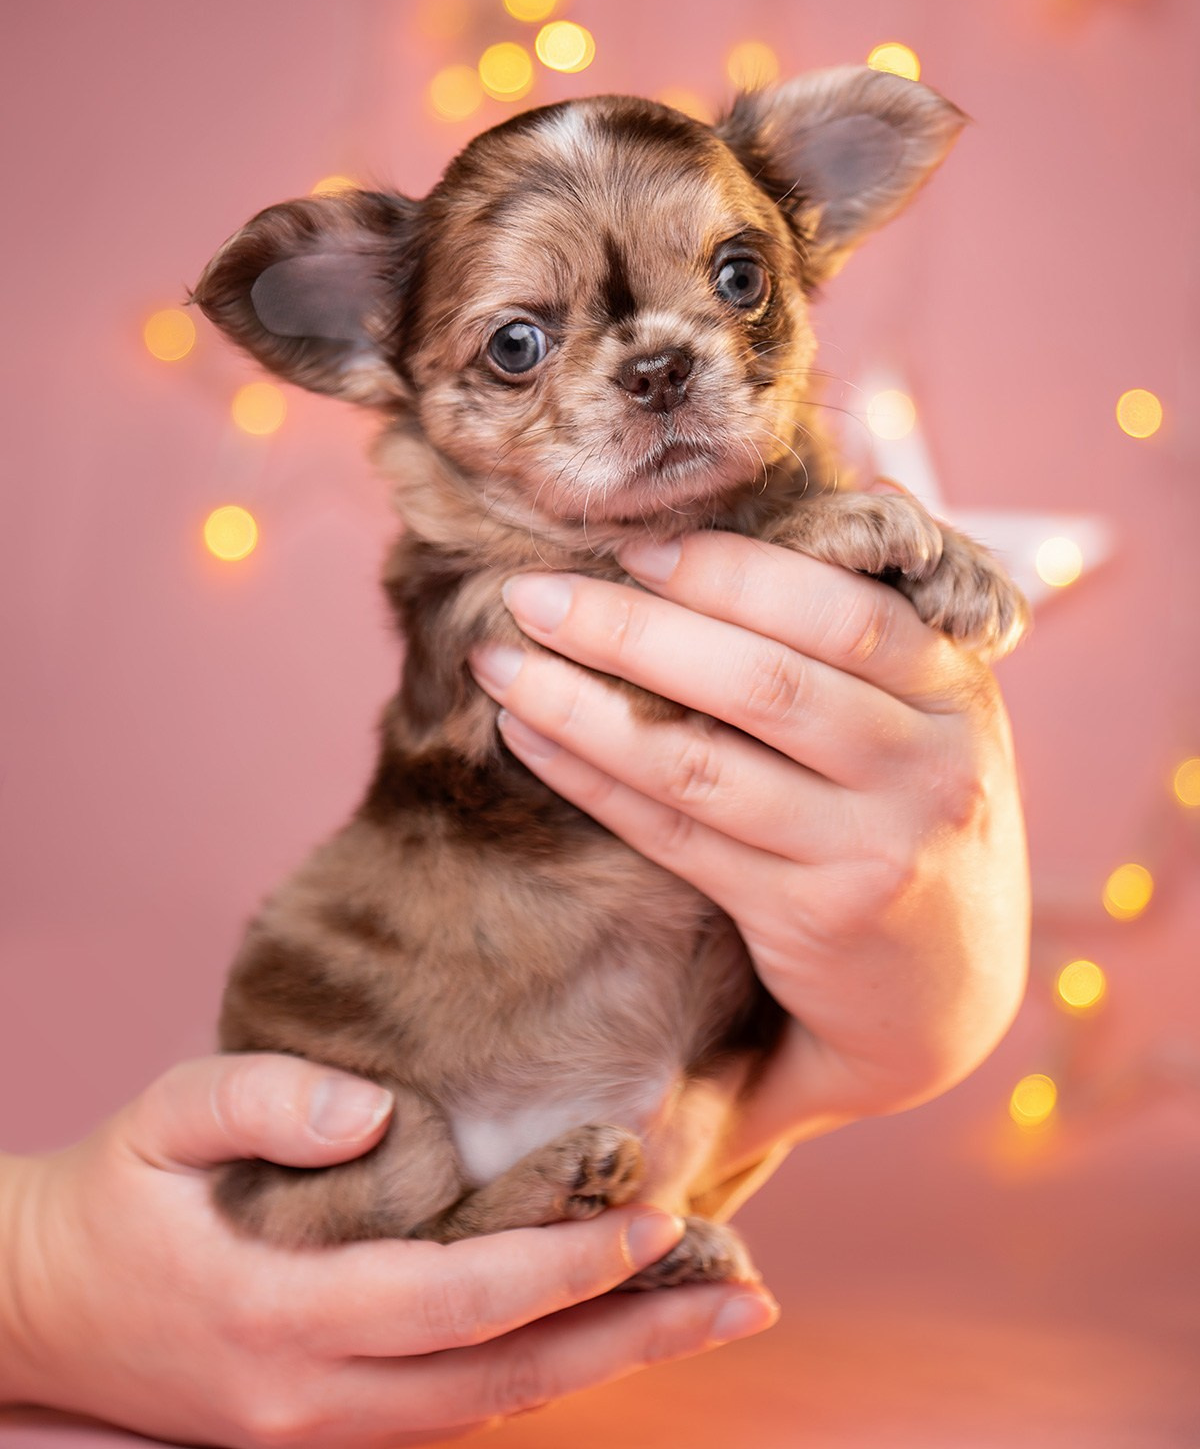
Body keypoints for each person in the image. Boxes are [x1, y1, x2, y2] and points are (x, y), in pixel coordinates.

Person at [0, 536, 1028, 1445]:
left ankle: (537, 1227)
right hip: (386, 1084)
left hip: (574, 1081)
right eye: (513, 374)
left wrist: (842, 1064)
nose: (652, 388)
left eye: (740, 300)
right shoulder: (474, 586)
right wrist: (38, 1280)